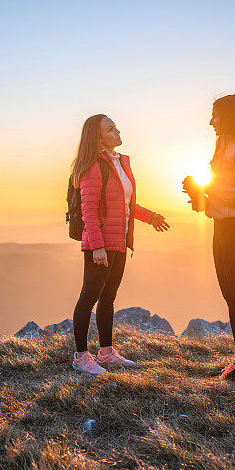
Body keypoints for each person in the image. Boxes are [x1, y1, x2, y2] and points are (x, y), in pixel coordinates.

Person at [70, 114, 170, 375]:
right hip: (99, 244)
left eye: (115, 127)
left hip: (120, 241)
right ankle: (81, 356)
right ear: (98, 136)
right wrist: (98, 247)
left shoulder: (121, 162)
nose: (117, 131)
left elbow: (125, 204)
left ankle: (105, 353)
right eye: (110, 129)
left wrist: (151, 217)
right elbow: (89, 210)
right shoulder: (94, 165)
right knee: (88, 297)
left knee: (108, 298)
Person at [183, 94, 235, 383]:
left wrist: (207, 188)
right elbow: (217, 199)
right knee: (230, 295)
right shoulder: (223, 147)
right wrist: (198, 195)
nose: (211, 121)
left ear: (229, 116)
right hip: (222, 227)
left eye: (215, 115)